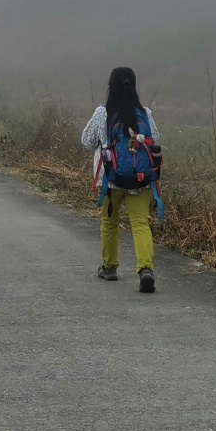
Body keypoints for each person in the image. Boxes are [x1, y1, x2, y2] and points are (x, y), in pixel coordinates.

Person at [82, 66, 162, 292]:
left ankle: (109, 267)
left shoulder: (103, 114)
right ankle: (145, 269)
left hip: (111, 179)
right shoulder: (145, 114)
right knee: (140, 223)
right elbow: (154, 139)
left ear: (111, 86)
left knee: (109, 223)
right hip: (141, 180)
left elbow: (87, 141)